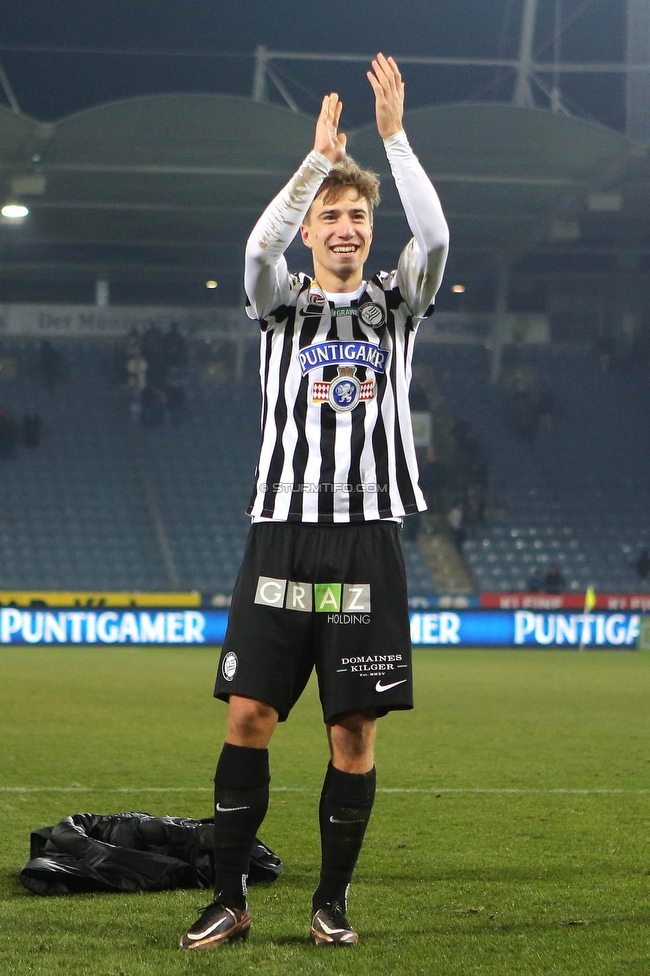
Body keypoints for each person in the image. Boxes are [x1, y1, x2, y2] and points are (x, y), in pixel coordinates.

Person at [179, 54, 449, 951]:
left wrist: (396, 143)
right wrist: (313, 167)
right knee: (249, 713)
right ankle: (228, 900)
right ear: (311, 231)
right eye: (330, 216)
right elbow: (255, 249)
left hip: (366, 541)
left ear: (373, 233)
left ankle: (330, 903)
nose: (343, 227)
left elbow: (439, 240)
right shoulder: (281, 304)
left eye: (356, 216)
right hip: (283, 535)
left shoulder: (396, 306)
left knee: (353, 730)